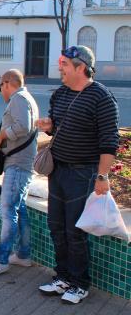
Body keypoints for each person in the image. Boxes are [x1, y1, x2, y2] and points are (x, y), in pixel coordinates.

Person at [36, 45, 119, 305]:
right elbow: (59, 128)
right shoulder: (59, 94)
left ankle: (80, 284)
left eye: (64, 63)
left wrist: (102, 176)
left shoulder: (102, 98)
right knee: (56, 227)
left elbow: (109, 142)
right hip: (57, 170)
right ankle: (62, 277)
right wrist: (50, 128)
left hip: (83, 173)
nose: (59, 67)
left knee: (74, 232)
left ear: (80, 67)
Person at [0, 69, 38, 277]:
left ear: (6, 83)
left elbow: (24, 126)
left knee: (7, 211)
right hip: (20, 163)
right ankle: (23, 255)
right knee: (19, 209)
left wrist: (1, 136)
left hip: (17, 164)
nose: (0, 92)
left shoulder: (19, 98)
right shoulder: (25, 98)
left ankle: (1, 259)